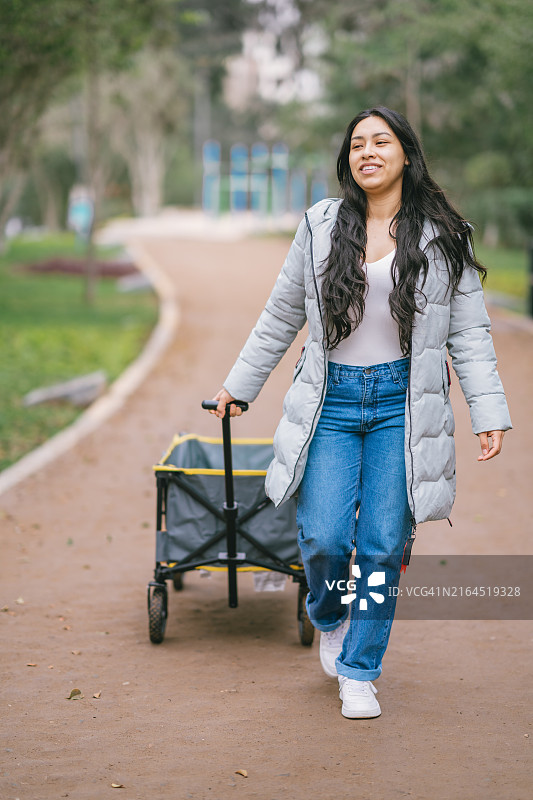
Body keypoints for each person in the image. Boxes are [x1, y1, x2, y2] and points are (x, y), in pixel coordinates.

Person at [211, 106, 512, 719]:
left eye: (380, 141)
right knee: (323, 535)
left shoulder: (444, 234)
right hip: (331, 400)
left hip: (404, 404)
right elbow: (282, 312)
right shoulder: (321, 225)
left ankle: (360, 670)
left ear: (406, 154)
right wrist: (239, 386)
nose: (367, 152)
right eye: (356, 144)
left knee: (381, 544)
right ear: (347, 159)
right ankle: (329, 615)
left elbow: (469, 332)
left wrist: (489, 412)